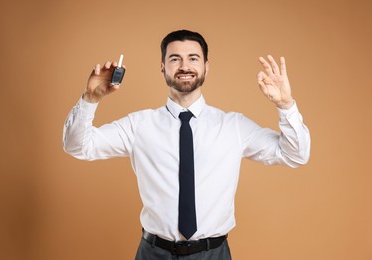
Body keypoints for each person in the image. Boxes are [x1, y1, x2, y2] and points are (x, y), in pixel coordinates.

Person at [63, 29, 310, 259]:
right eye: (174, 59)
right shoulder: (138, 125)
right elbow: (78, 146)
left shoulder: (233, 126)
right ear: (162, 68)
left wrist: (286, 105)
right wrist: (90, 99)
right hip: (153, 252)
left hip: (213, 253)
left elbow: (295, 154)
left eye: (193, 58)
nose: (184, 66)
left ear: (206, 66)